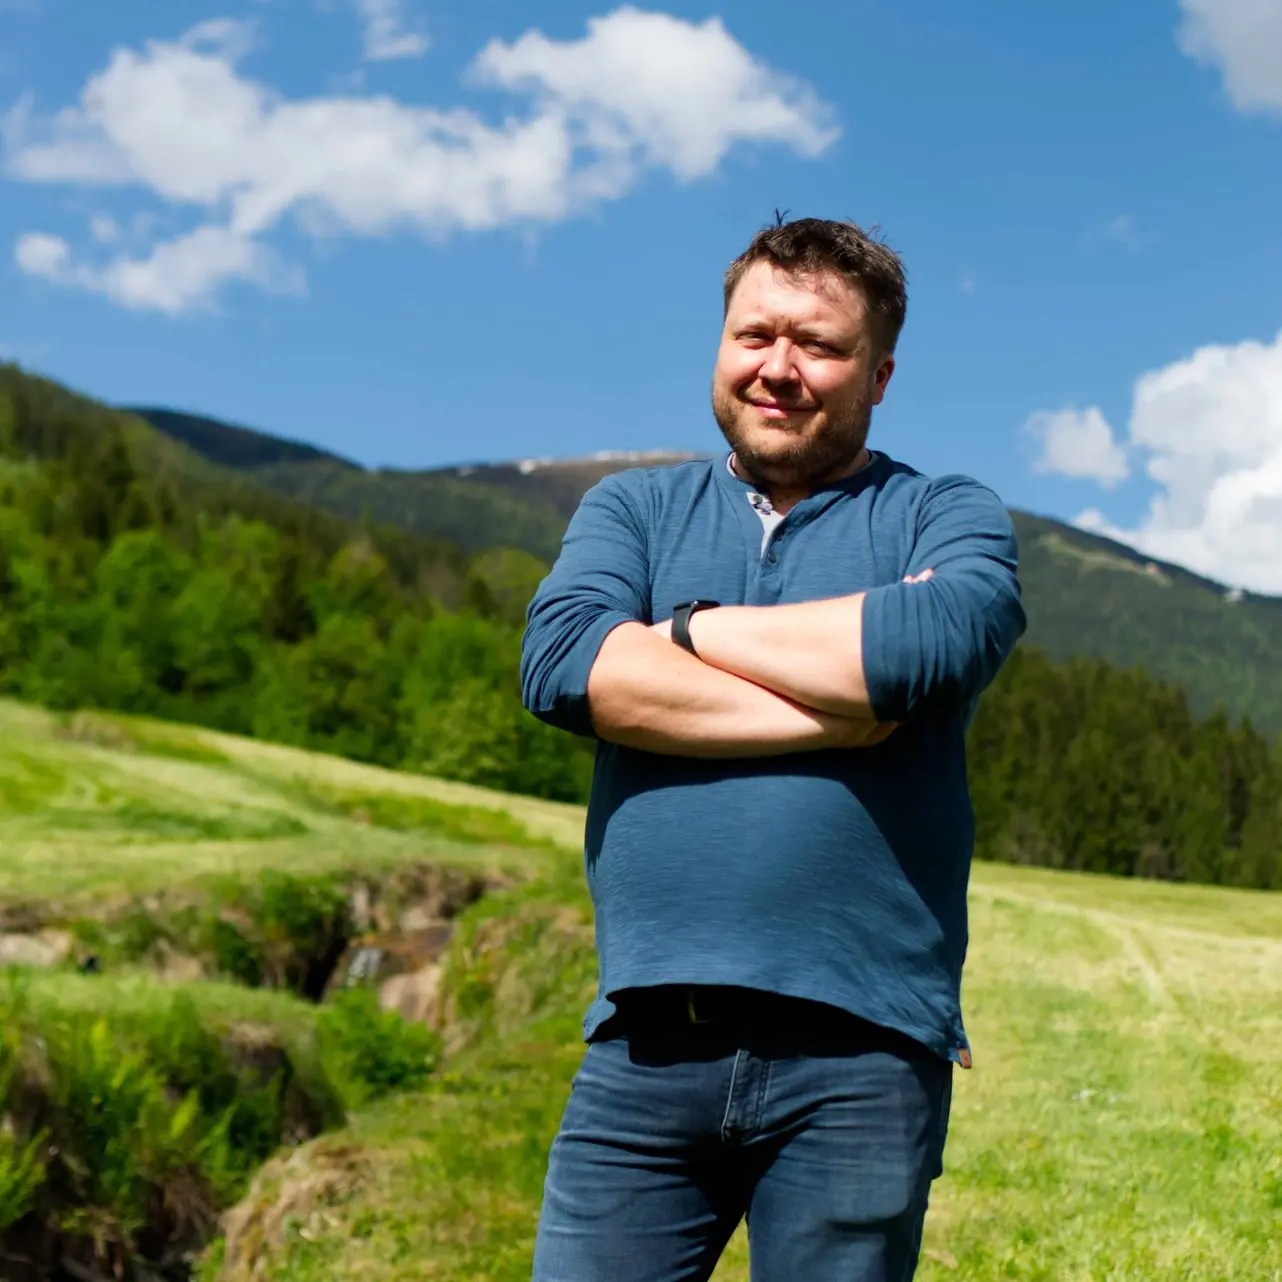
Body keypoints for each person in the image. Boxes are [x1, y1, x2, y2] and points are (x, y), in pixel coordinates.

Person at [519, 216, 1026, 1282]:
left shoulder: (943, 512)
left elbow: (928, 645)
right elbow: (566, 664)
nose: (778, 368)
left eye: (819, 345)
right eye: (754, 336)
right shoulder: (634, 508)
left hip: (862, 1054)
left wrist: (681, 632)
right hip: (642, 1046)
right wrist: (836, 705)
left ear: (879, 374)